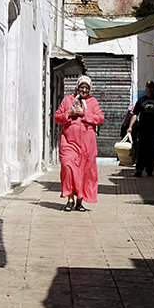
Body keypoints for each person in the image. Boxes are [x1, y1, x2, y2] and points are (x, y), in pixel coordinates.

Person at [54, 75, 105, 211]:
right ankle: (70, 198)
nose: (84, 90)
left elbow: (100, 118)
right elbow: (57, 117)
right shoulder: (67, 100)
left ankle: (79, 201)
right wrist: (69, 113)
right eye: (82, 87)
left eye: (87, 88)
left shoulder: (93, 102)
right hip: (69, 143)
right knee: (67, 166)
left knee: (84, 172)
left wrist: (84, 114)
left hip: (87, 146)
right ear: (77, 87)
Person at [127, 81, 154, 177]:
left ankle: (149, 170)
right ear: (146, 89)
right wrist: (130, 127)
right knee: (141, 150)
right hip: (142, 129)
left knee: (152, 150)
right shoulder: (141, 100)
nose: (149, 89)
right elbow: (135, 114)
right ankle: (139, 170)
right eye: (148, 87)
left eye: (151, 88)